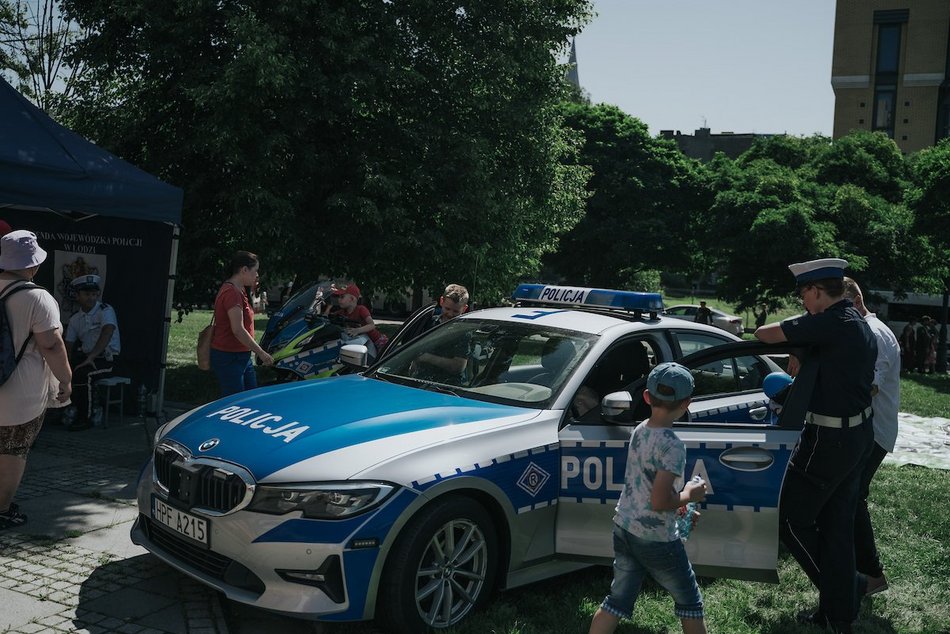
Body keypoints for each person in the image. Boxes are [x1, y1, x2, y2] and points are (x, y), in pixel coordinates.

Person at [754, 258, 876, 634]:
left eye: (803, 294)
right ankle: (836, 613)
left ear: (815, 291)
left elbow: (763, 333)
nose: (802, 301)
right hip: (856, 436)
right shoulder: (854, 322)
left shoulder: (832, 321)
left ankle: (844, 591)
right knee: (835, 524)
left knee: (790, 518)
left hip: (830, 439)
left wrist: (800, 334)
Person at [588, 362, 707, 634]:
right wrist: (690, 494)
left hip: (625, 526)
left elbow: (647, 488)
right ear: (687, 403)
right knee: (690, 602)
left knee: (616, 600)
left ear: (646, 397)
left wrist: (676, 505)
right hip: (656, 539)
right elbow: (659, 501)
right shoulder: (673, 445)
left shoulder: (641, 429)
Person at [0, 230, 72, 530]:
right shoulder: (37, 297)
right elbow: (52, 345)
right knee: (13, 450)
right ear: (34, 264)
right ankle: (2, 509)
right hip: (19, 396)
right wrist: (67, 381)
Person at [842, 277, 898, 597]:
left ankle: (873, 575)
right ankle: (859, 569)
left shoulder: (872, 333)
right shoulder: (868, 329)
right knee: (848, 497)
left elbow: (870, 385)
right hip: (869, 428)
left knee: (852, 497)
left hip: (873, 431)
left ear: (852, 302)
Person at [209, 251, 274, 396]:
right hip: (229, 357)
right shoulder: (232, 292)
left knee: (250, 400)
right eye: (255, 270)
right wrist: (261, 353)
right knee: (235, 405)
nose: (257, 275)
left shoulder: (239, 290)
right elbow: (237, 330)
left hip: (240, 356)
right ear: (244, 270)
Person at [63, 275, 121, 431]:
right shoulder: (76, 318)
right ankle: (68, 410)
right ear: (78, 295)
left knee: (83, 374)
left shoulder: (105, 310)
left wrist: (92, 356)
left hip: (106, 359)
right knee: (66, 371)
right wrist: (64, 365)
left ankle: (85, 417)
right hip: (87, 357)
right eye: (86, 294)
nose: (91, 298)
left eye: (94, 294)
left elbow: (107, 332)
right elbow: (68, 343)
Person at [326, 283, 385, 351]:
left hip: (377, 341)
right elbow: (328, 317)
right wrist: (328, 308)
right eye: (338, 297)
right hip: (362, 341)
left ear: (352, 299)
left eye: (342, 297)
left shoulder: (361, 309)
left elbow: (372, 325)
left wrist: (357, 330)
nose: (339, 299)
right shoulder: (342, 312)